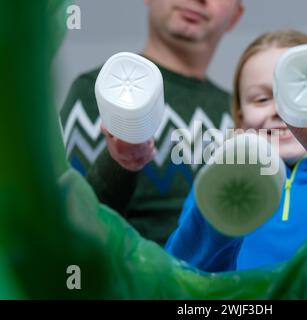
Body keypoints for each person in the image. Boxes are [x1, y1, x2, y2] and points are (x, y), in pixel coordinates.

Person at [165, 29, 307, 271]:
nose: (280, 111)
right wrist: (222, 205)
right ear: (240, 118)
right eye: (261, 99)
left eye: (296, 95)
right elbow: (179, 277)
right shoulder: (217, 182)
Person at [59, 0, 244, 245]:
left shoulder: (242, 113)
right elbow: (72, 227)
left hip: (230, 281)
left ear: (235, 16)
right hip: (129, 280)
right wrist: (119, 161)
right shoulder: (101, 93)